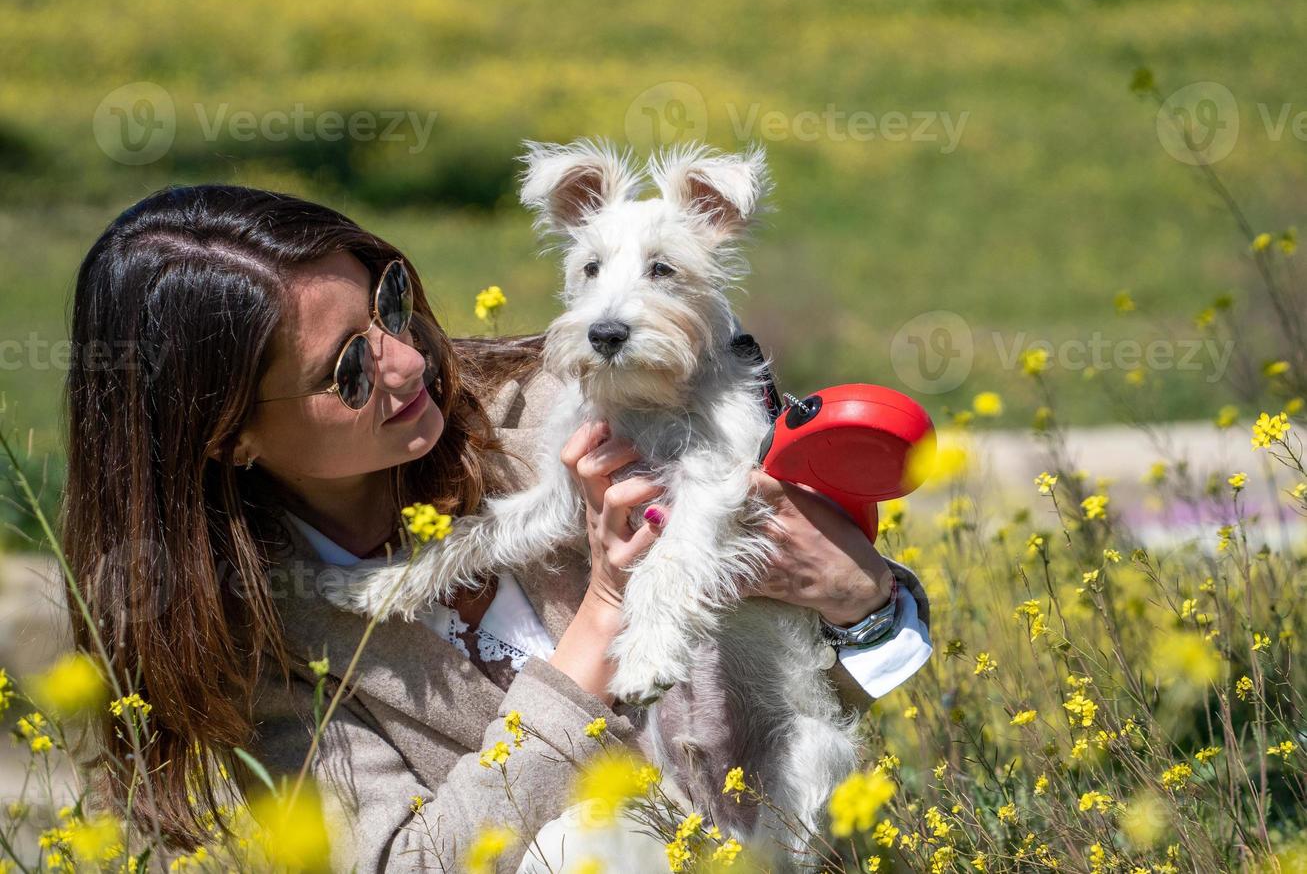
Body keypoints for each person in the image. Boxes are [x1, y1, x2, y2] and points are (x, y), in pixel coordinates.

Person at [61, 184, 932, 872]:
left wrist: (863, 603)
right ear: (230, 435)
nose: (405, 362)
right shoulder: (267, 643)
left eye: (389, 304)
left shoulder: (566, 406)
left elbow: (793, 679)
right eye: (349, 370)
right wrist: (598, 616)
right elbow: (407, 863)